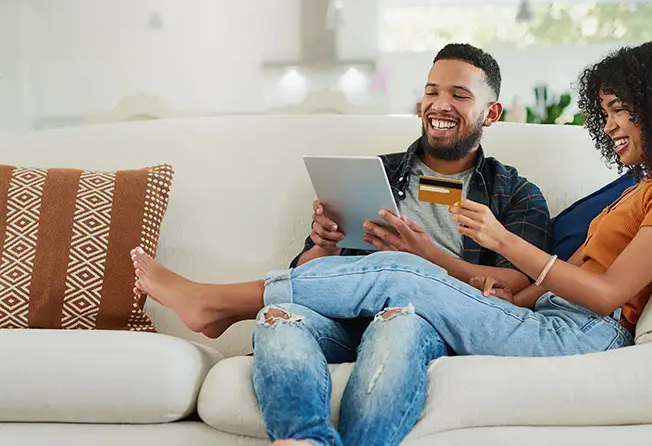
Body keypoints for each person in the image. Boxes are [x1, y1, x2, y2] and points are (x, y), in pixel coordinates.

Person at [132, 37, 652, 445]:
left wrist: (489, 244)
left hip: (573, 329)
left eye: (619, 111)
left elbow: (603, 295)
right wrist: (324, 243)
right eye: (604, 112)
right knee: (292, 310)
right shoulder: (647, 184)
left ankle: (215, 303)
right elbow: (546, 287)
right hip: (539, 316)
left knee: (404, 282)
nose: (609, 127)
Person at [131, 43, 551, 446]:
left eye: (459, 95)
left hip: (425, 321)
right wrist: (324, 244)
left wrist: (423, 256)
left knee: (399, 320)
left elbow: (518, 285)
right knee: (279, 314)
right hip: (344, 319)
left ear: (491, 113)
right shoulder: (373, 172)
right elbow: (306, 274)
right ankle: (302, 439)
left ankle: (217, 303)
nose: (440, 105)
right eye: (431, 92)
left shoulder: (516, 194)